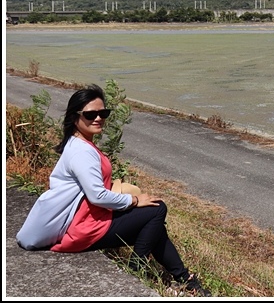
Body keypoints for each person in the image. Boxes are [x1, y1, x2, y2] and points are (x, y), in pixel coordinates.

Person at [16, 84, 210, 296]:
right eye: (90, 114)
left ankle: (186, 279)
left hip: (89, 219)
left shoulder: (79, 144)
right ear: (75, 118)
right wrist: (134, 201)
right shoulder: (81, 152)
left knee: (153, 226)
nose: (98, 118)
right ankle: (138, 268)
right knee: (157, 209)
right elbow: (97, 195)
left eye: (103, 113)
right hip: (86, 228)